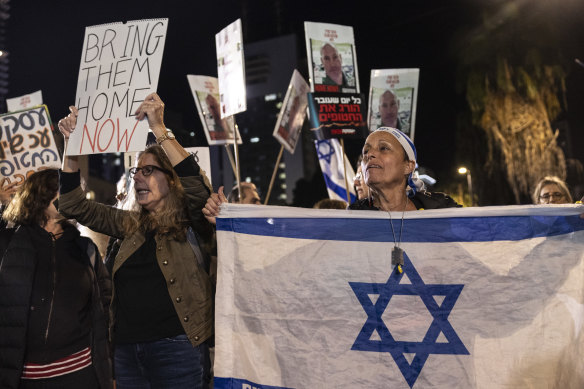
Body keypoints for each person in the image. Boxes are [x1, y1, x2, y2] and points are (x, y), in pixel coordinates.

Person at [57, 93, 214, 389]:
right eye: (135, 172)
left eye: (148, 170)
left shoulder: (190, 222)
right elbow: (71, 205)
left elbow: (198, 188)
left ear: (171, 179)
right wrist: (72, 144)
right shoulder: (129, 224)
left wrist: (159, 128)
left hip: (177, 348)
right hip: (128, 352)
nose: (138, 178)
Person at [0, 169, 112, 389]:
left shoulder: (85, 248)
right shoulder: (8, 243)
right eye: (68, 188)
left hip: (80, 375)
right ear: (42, 195)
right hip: (24, 379)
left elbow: (105, 306)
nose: (76, 195)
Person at [349, 127, 459, 211]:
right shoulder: (352, 217)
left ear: (408, 166)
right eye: (366, 151)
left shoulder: (441, 208)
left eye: (383, 148)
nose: (370, 154)